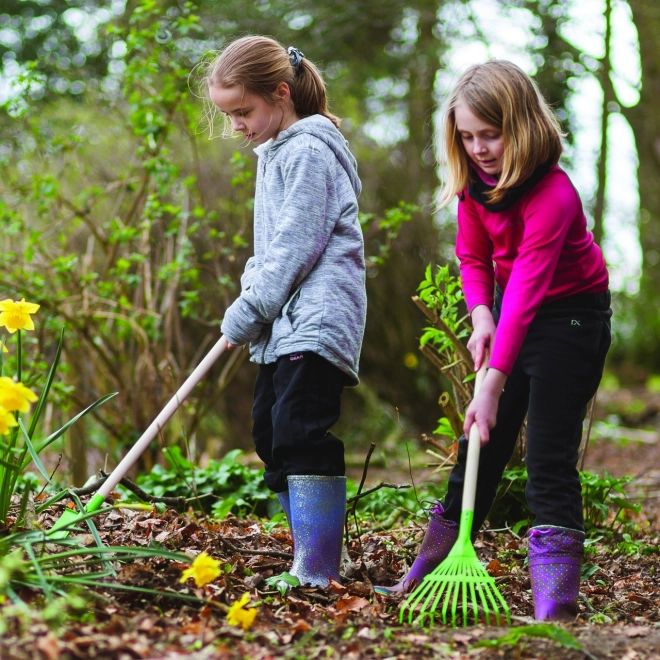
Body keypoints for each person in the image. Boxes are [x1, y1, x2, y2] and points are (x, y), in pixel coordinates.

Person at [375, 60, 611, 621]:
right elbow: (473, 257)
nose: (479, 148)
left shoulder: (553, 195)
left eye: (491, 134)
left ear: (522, 126)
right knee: (479, 448)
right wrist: (481, 313)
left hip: (571, 320)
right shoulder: (475, 187)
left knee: (548, 460)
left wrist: (492, 384)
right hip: (509, 310)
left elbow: (529, 287)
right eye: (467, 136)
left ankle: (554, 607)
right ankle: (424, 573)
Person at [205, 36, 366, 588]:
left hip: (317, 318)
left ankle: (317, 570)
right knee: (270, 433)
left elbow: (296, 247)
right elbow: (269, 250)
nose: (236, 126)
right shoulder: (274, 151)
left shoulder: (307, 151)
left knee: (299, 429)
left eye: (243, 111)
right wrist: (249, 301)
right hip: (284, 321)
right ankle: (309, 553)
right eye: (228, 115)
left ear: (280, 93)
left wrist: (250, 308)